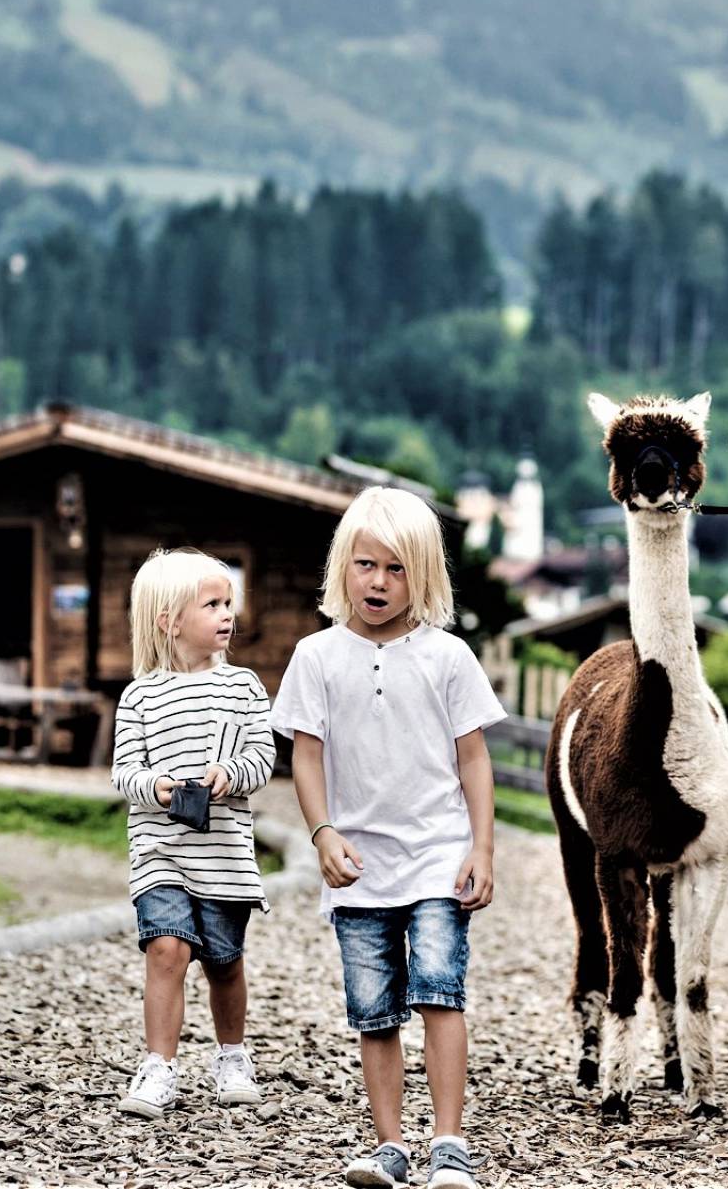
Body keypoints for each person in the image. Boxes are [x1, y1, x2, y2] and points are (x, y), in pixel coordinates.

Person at [272, 487, 505, 1189]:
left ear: (423, 573)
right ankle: (390, 1146)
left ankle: (449, 1144)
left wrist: (482, 846)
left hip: (437, 856)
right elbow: (306, 756)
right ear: (343, 565)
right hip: (359, 865)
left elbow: (473, 759)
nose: (378, 581)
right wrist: (322, 833)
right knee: (374, 1011)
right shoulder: (316, 656)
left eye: (397, 568)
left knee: (440, 992)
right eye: (366, 564)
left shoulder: (449, 656)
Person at [110, 547, 275, 1118]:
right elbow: (124, 771)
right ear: (170, 621)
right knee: (166, 949)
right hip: (159, 850)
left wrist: (231, 775)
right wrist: (153, 787)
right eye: (212, 604)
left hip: (224, 856)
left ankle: (232, 1055)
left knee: (224, 962)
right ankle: (159, 1065)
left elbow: (263, 758)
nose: (228, 613)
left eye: (229, 602)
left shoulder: (244, 688)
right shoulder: (140, 695)